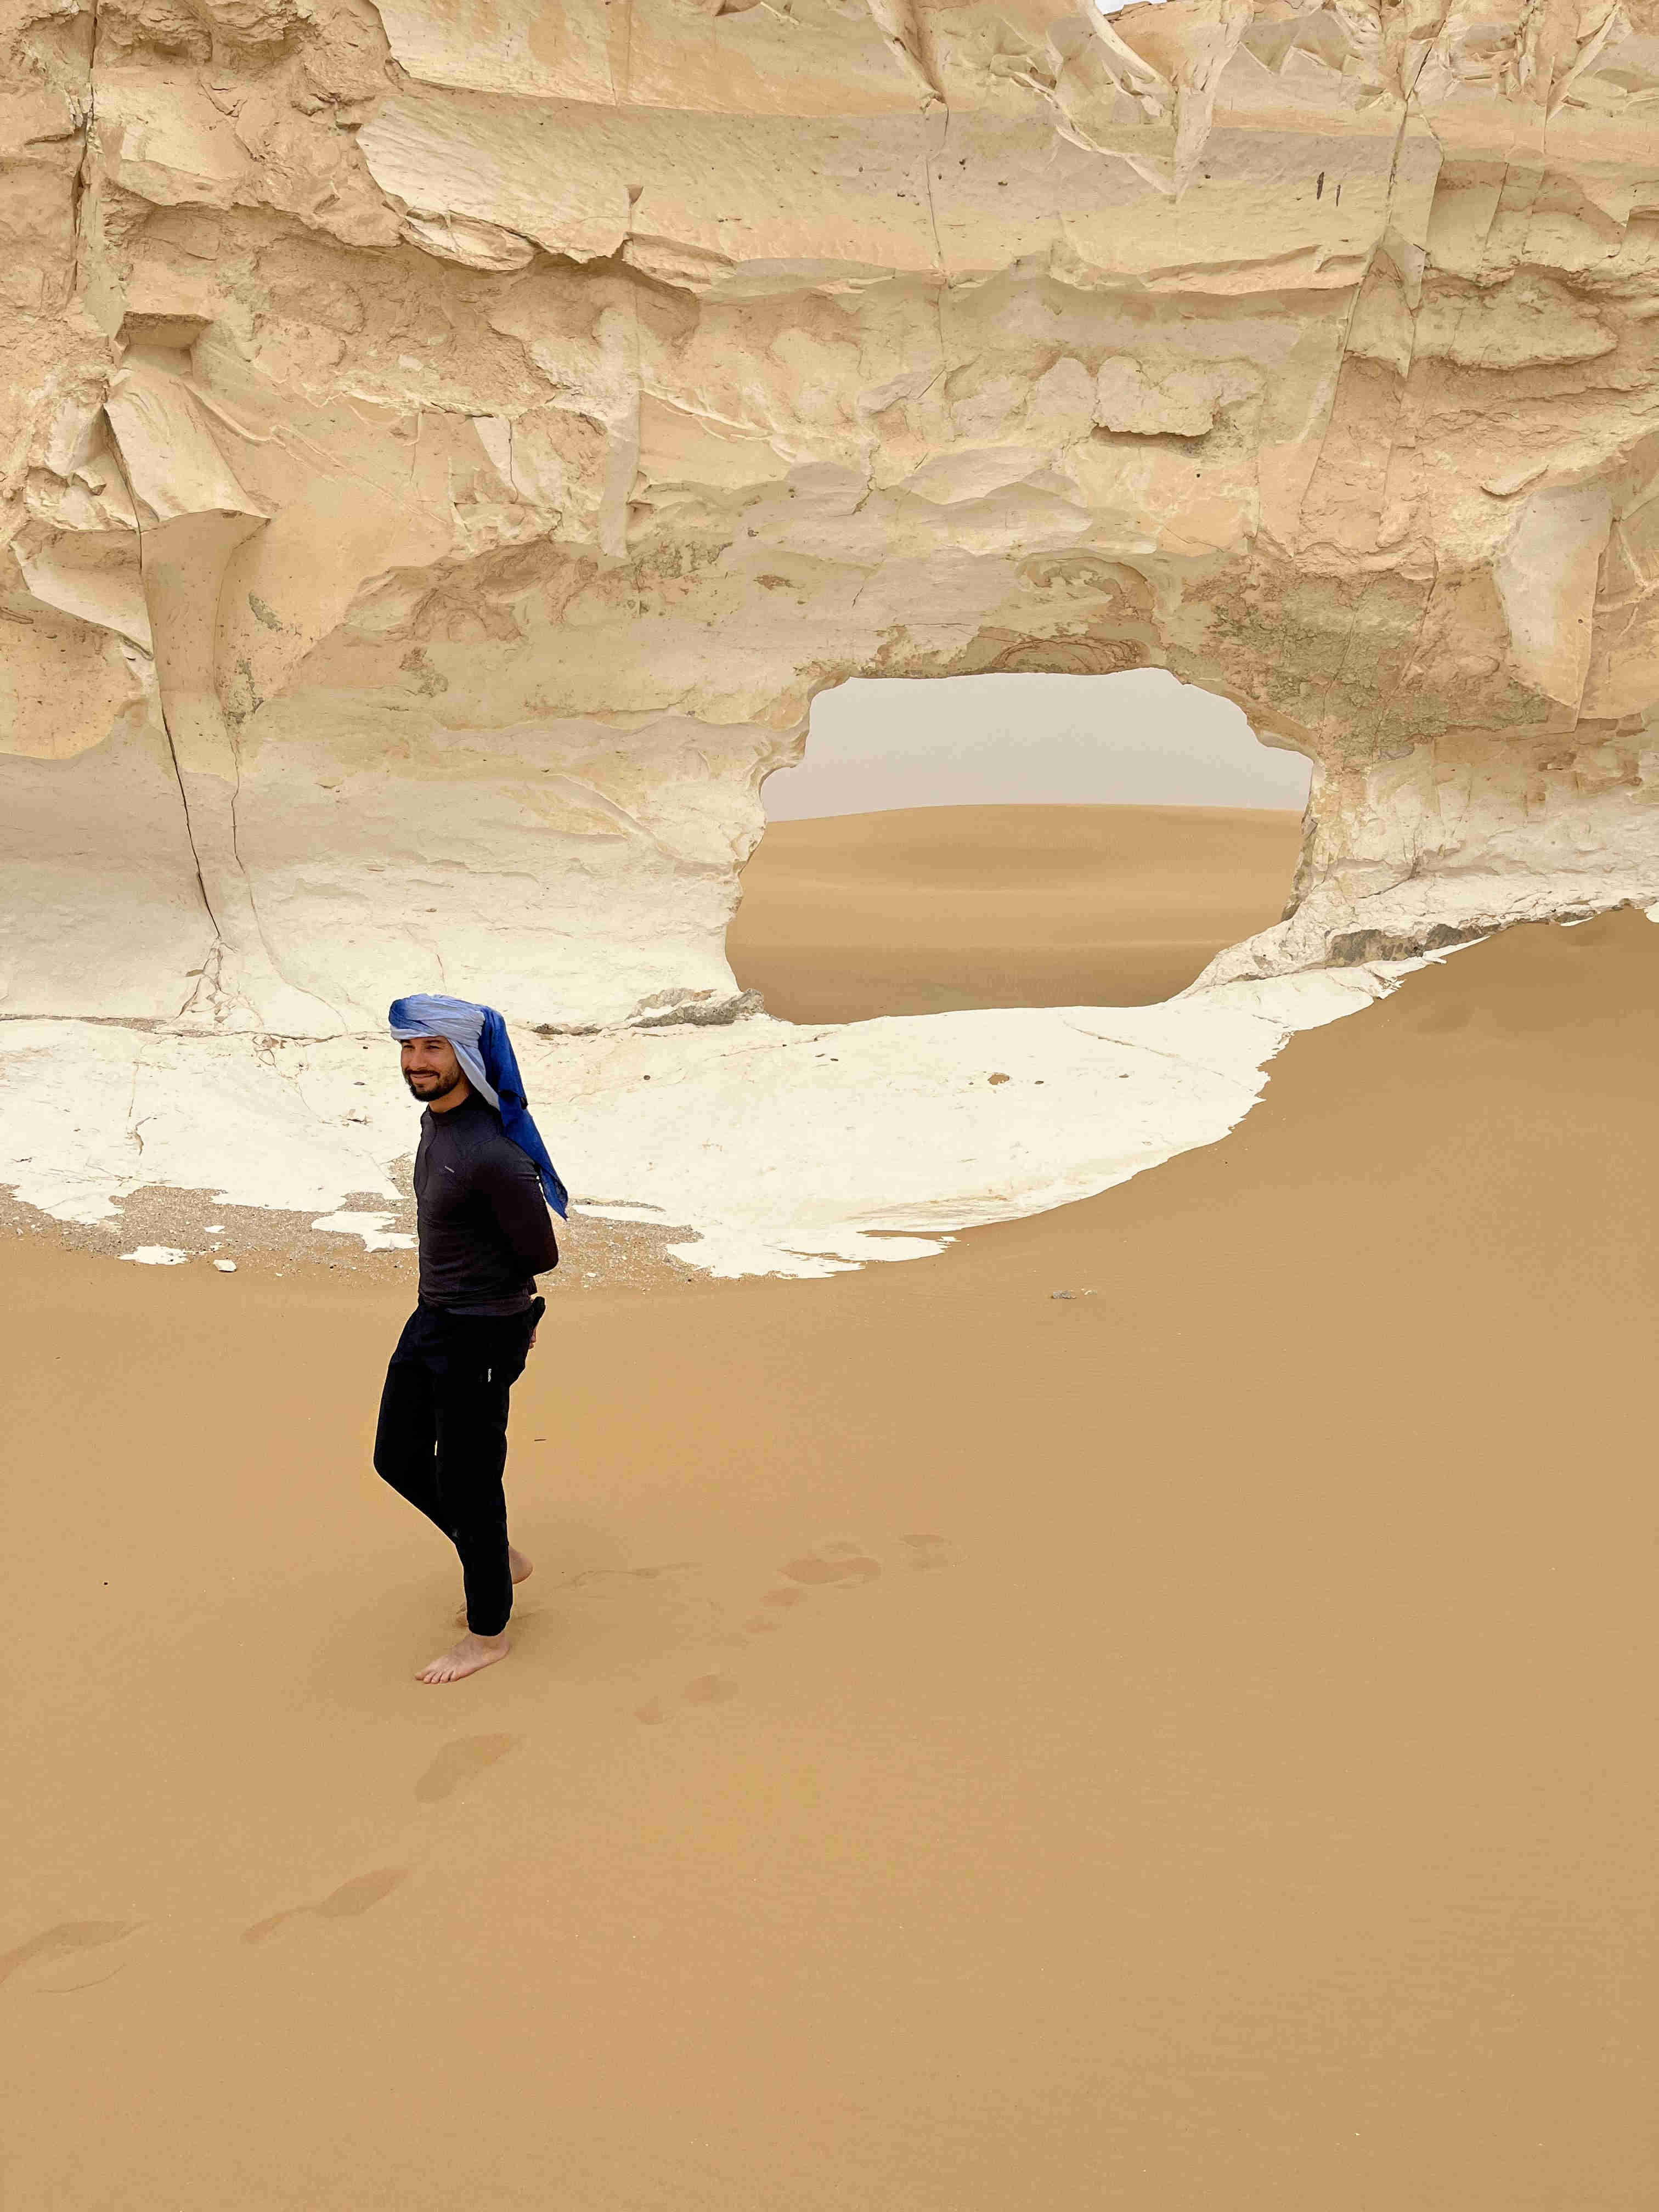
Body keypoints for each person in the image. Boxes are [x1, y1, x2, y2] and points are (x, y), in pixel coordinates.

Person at [374, 994, 569, 1684]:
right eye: (409, 1047)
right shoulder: (437, 1122)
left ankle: (488, 1635)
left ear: (465, 1055)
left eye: (433, 1047)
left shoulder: (491, 1153)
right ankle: (497, 1556)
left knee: (470, 1483)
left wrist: (515, 1322)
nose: (416, 1062)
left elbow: (540, 1254)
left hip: (482, 1335)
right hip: (432, 1318)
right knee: (396, 1457)